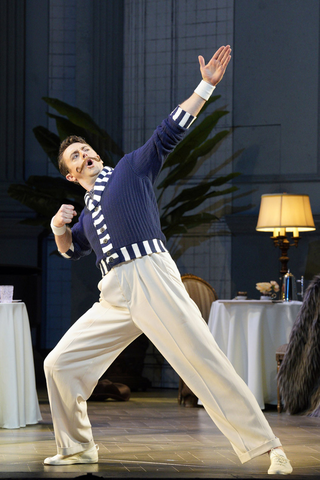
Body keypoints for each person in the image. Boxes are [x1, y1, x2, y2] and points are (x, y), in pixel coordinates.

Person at [44, 45, 292, 475]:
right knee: (59, 363)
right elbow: (72, 251)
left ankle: (269, 447)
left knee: (201, 357)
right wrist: (59, 229)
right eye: (75, 156)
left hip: (151, 277)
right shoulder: (85, 214)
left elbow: (168, 131)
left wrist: (206, 86)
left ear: (96, 156)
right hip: (115, 294)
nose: (84, 154)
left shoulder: (129, 168)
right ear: (70, 175)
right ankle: (78, 447)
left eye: (86, 149)